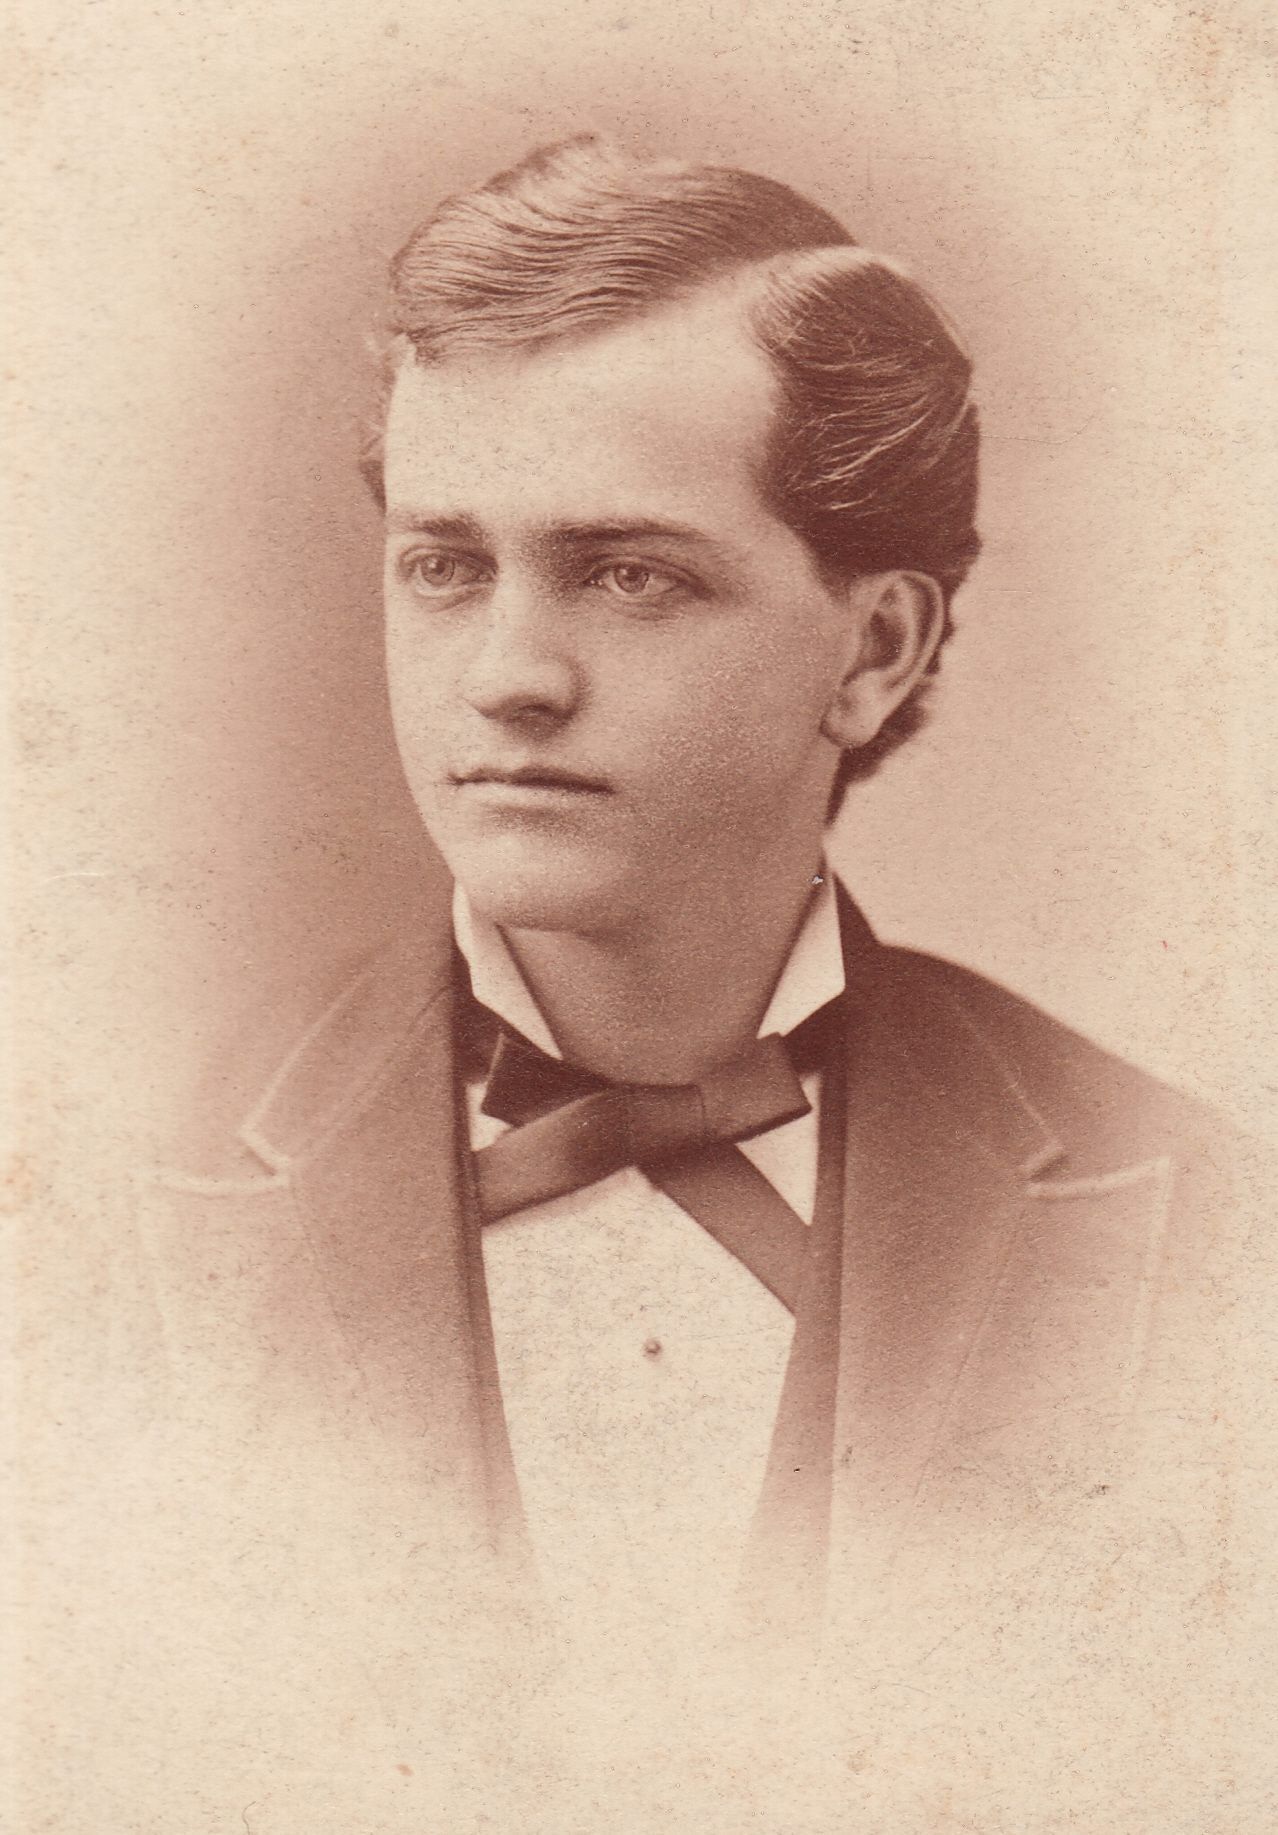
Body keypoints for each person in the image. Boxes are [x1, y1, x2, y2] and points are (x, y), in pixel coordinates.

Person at [100, 136, 1269, 1828]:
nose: (506, 677)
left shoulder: (1202, 1230)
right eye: (444, 566)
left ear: (874, 651)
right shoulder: (97, 1197)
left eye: (629, 574)